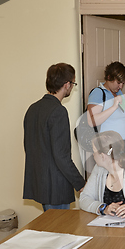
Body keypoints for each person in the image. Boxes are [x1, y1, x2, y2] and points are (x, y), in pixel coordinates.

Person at [23, 63, 85, 211]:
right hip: (56, 187)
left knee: (50, 231)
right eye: (73, 83)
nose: (72, 87)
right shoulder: (58, 111)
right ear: (67, 84)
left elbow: (29, 147)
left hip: (40, 182)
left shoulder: (32, 109)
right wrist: (80, 184)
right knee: (59, 232)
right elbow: (61, 156)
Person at [86, 61, 125, 160]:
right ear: (109, 77)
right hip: (109, 144)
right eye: (118, 82)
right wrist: (113, 107)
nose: (121, 86)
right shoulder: (98, 93)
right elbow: (91, 122)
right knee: (113, 175)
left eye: (123, 83)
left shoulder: (119, 93)